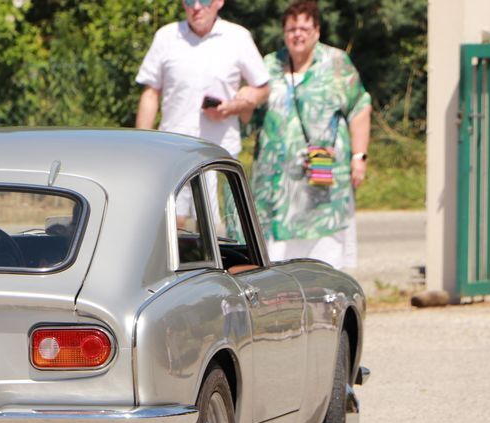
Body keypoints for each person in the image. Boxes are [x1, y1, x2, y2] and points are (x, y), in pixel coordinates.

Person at [252, 0, 371, 270]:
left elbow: (360, 108)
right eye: (291, 28)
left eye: (304, 28)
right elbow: (251, 116)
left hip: (323, 185)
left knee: (324, 260)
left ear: (317, 31)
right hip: (276, 188)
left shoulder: (337, 63)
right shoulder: (269, 65)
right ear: (284, 32)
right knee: (277, 266)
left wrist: (359, 157)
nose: (298, 34)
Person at [134, 0, 270, 159]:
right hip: (173, 152)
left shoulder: (238, 37)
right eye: (190, 1)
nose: (196, 8)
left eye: (204, 1)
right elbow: (150, 94)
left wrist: (232, 107)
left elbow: (264, 89)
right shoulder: (166, 37)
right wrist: (141, 147)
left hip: (220, 154)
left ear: (219, 2)